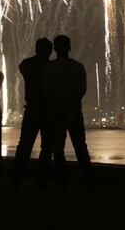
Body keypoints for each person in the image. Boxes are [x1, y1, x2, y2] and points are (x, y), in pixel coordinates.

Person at [42, 35, 91, 184]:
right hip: (74, 113)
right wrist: (70, 105)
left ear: (54, 49)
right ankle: (88, 177)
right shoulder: (78, 67)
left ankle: (60, 179)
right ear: (69, 47)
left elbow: (46, 92)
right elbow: (81, 91)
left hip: (56, 113)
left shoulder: (49, 68)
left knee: (58, 148)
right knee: (80, 146)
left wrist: (58, 105)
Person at [11, 37, 53, 186]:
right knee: (47, 146)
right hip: (48, 110)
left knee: (25, 144)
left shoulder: (27, 65)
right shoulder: (51, 67)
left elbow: (22, 66)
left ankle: (17, 177)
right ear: (50, 51)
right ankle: (41, 178)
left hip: (32, 108)